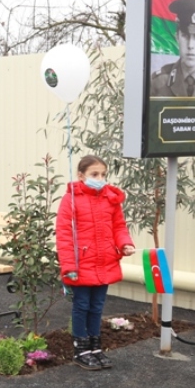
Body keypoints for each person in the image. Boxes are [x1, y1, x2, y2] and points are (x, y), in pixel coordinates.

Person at [55, 155, 136, 370]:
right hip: (81, 264)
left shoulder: (110, 198)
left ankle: (95, 346)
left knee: (97, 306)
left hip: (105, 262)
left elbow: (119, 226)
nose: (100, 178)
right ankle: (81, 349)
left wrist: (125, 244)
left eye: (103, 174)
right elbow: (64, 234)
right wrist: (69, 266)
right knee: (82, 305)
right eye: (94, 174)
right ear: (81, 175)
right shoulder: (71, 199)